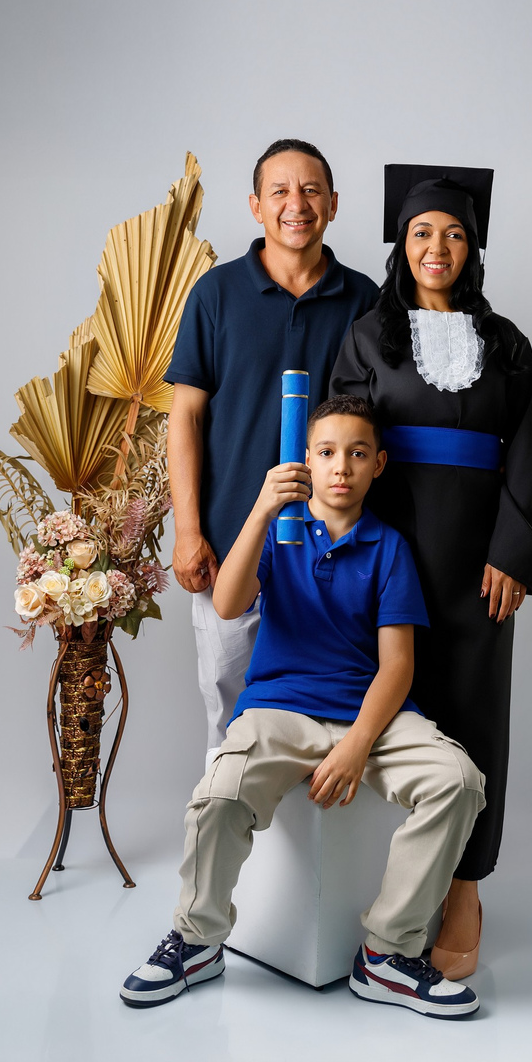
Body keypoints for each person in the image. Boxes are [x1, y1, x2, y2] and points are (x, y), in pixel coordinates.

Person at [121, 397, 485, 1018]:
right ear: (306, 460)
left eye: (358, 453)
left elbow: (397, 665)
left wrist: (357, 743)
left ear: (378, 464)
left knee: (459, 781)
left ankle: (387, 954)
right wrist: (263, 509)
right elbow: (228, 604)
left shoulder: (390, 547)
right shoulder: (278, 531)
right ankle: (197, 941)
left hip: (371, 716)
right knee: (220, 793)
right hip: (280, 706)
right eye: (327, 452)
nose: (341, 466)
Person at [331, 165, 532, 979]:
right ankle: (384, 883)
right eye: (423, 232)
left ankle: (465, 887)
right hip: (389, 548)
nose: (437, 247)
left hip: (477, 560)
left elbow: (528, 450)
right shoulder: (367, 336)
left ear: (471, 250)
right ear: (402, 244)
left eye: (454, 234)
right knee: (387, 707)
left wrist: (513, 552)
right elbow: (343, 440)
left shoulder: (508, 344)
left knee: (475, 713)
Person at [165, 139, 379, 765]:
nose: (296, 205)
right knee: (228, 713)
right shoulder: (215, 294)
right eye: (280, 191)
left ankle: (302, 835)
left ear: (333, 204)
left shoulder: (365, 301)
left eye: (311, 191)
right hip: (231, 542)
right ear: (256, 206)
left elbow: (381, 426)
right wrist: (187, 531)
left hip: (329, 552)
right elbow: (186, 416)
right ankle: (224, 826)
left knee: (322, 719)